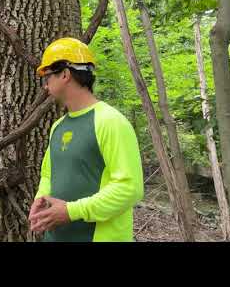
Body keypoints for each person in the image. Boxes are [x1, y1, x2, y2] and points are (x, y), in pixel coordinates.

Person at [28, 37, 144, 242]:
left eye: (47, 77)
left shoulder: (111, 121)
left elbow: (130, 188)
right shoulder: (58, 126)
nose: (45, 86)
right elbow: (48, 174)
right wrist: (41, 199)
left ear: (65, 74)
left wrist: (71, 211)